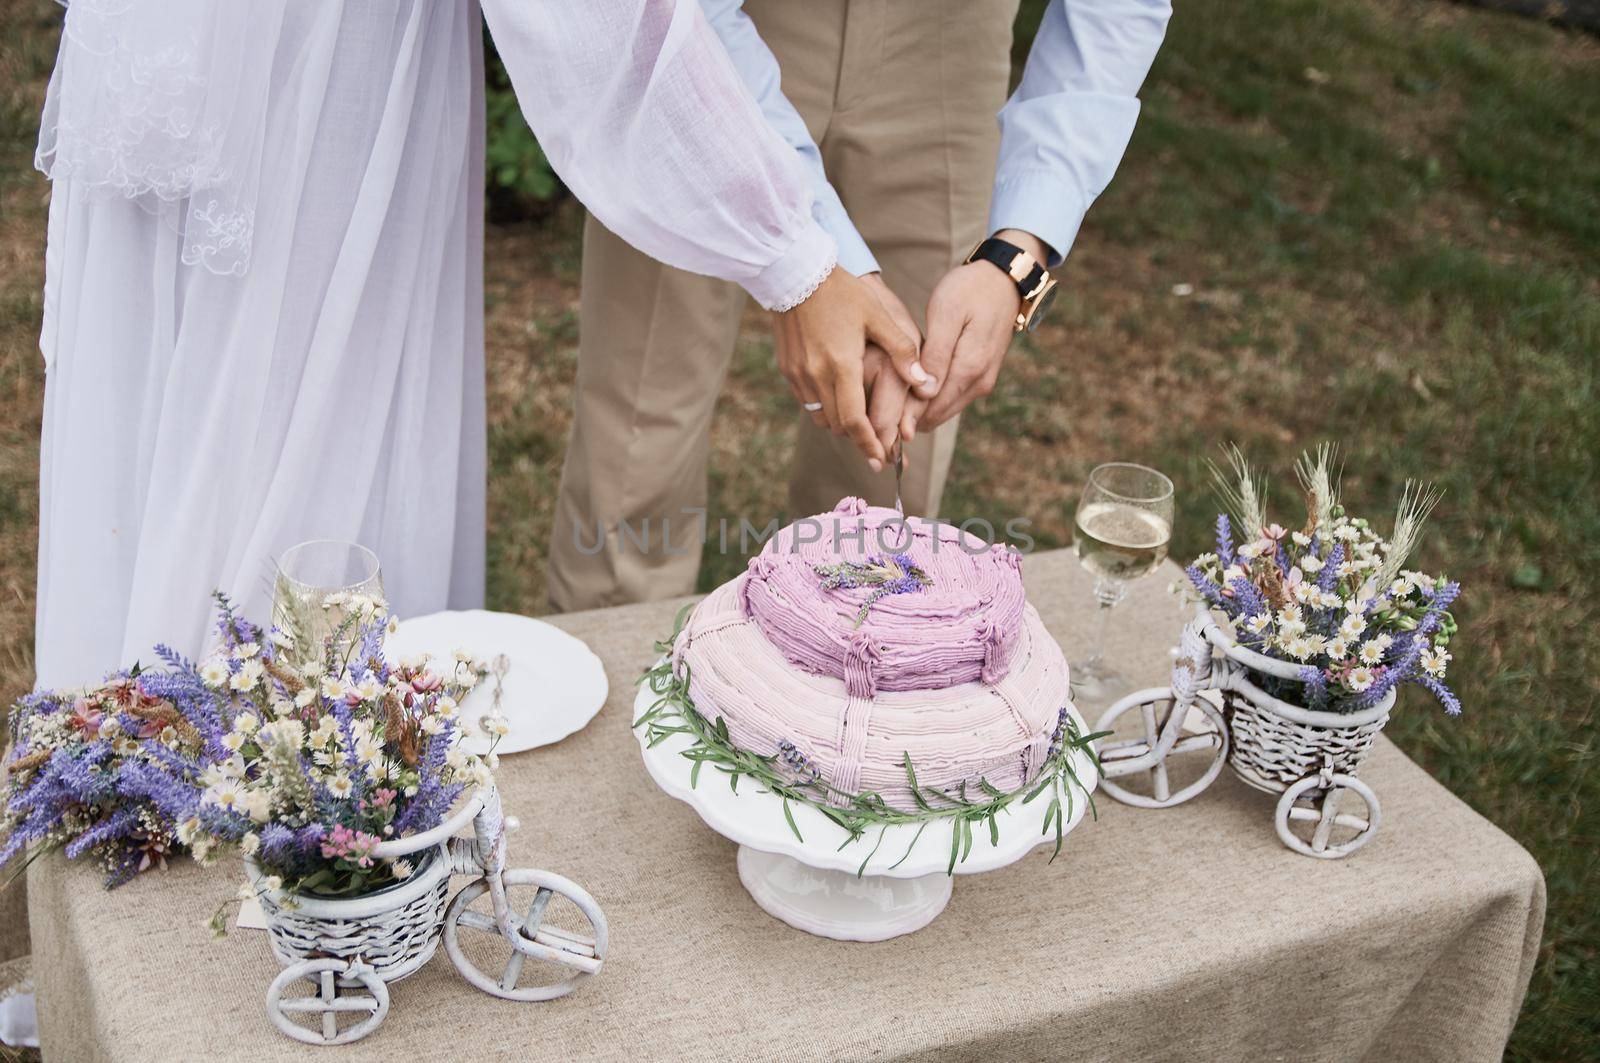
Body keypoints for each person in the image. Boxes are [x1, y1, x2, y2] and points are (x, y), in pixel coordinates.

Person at [31, 0, 919, 690]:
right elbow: (607, 32)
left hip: (177, 52)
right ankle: (282, 822)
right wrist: (795, 257)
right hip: (327, 78)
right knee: (300, 460)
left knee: (157, 442)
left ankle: (138, 768)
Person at [547, 0, 1172, 612]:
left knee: (896, 428)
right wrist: (811, 267)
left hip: (951, 48)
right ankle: (623, 678)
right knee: (641, 420)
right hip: (701, 31)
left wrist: (1020, 252)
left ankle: (850, 674)